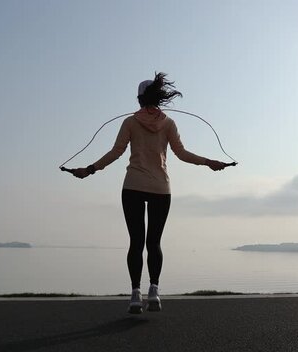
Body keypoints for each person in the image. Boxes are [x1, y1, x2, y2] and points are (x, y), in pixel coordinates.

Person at [70, 73, 228, 314]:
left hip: (132, 185)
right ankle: (154, 291)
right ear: (157, 97)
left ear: (139, 99)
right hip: (161, 189)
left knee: (136, 242)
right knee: (154, 242)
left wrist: (89, 170)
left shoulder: (130, 122)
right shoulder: (169, 123)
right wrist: (209, 162)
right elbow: (182, 154)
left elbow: (116, 152)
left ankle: (135, 295)